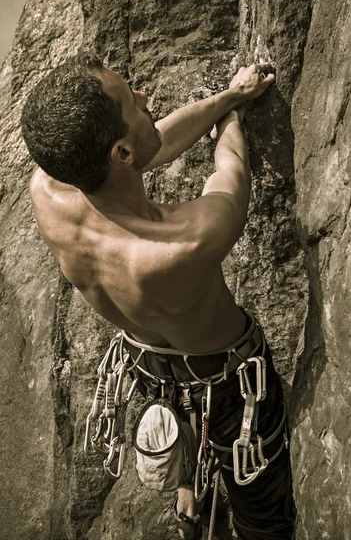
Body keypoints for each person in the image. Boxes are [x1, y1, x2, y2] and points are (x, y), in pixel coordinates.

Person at [21, 53, 292, 539]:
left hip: (145, 364)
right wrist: (233, 116)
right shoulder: (186, 242)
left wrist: (229, 94)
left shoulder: (47, 189)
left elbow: (152, 143)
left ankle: (188, 485)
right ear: (121, 154)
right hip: (231, 382)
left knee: (181, 432)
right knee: (263, 515)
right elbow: (229, 166)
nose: (146, 98)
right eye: (134, 102)